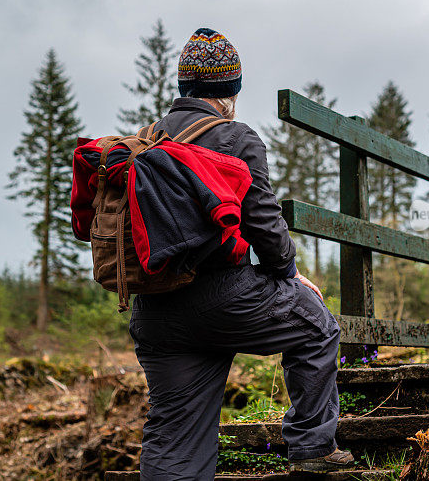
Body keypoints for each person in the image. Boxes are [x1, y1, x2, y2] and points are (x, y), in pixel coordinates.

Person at [130, 27, 353, 480]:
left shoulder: (145, 142)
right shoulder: (235, 137)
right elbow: (263, 223)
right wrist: (288, 272)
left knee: (175, 439)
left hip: (155, 312)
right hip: (227, 297)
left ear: (183, 87)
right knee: (317, 325)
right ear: (231, 90)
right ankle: (312, 446)